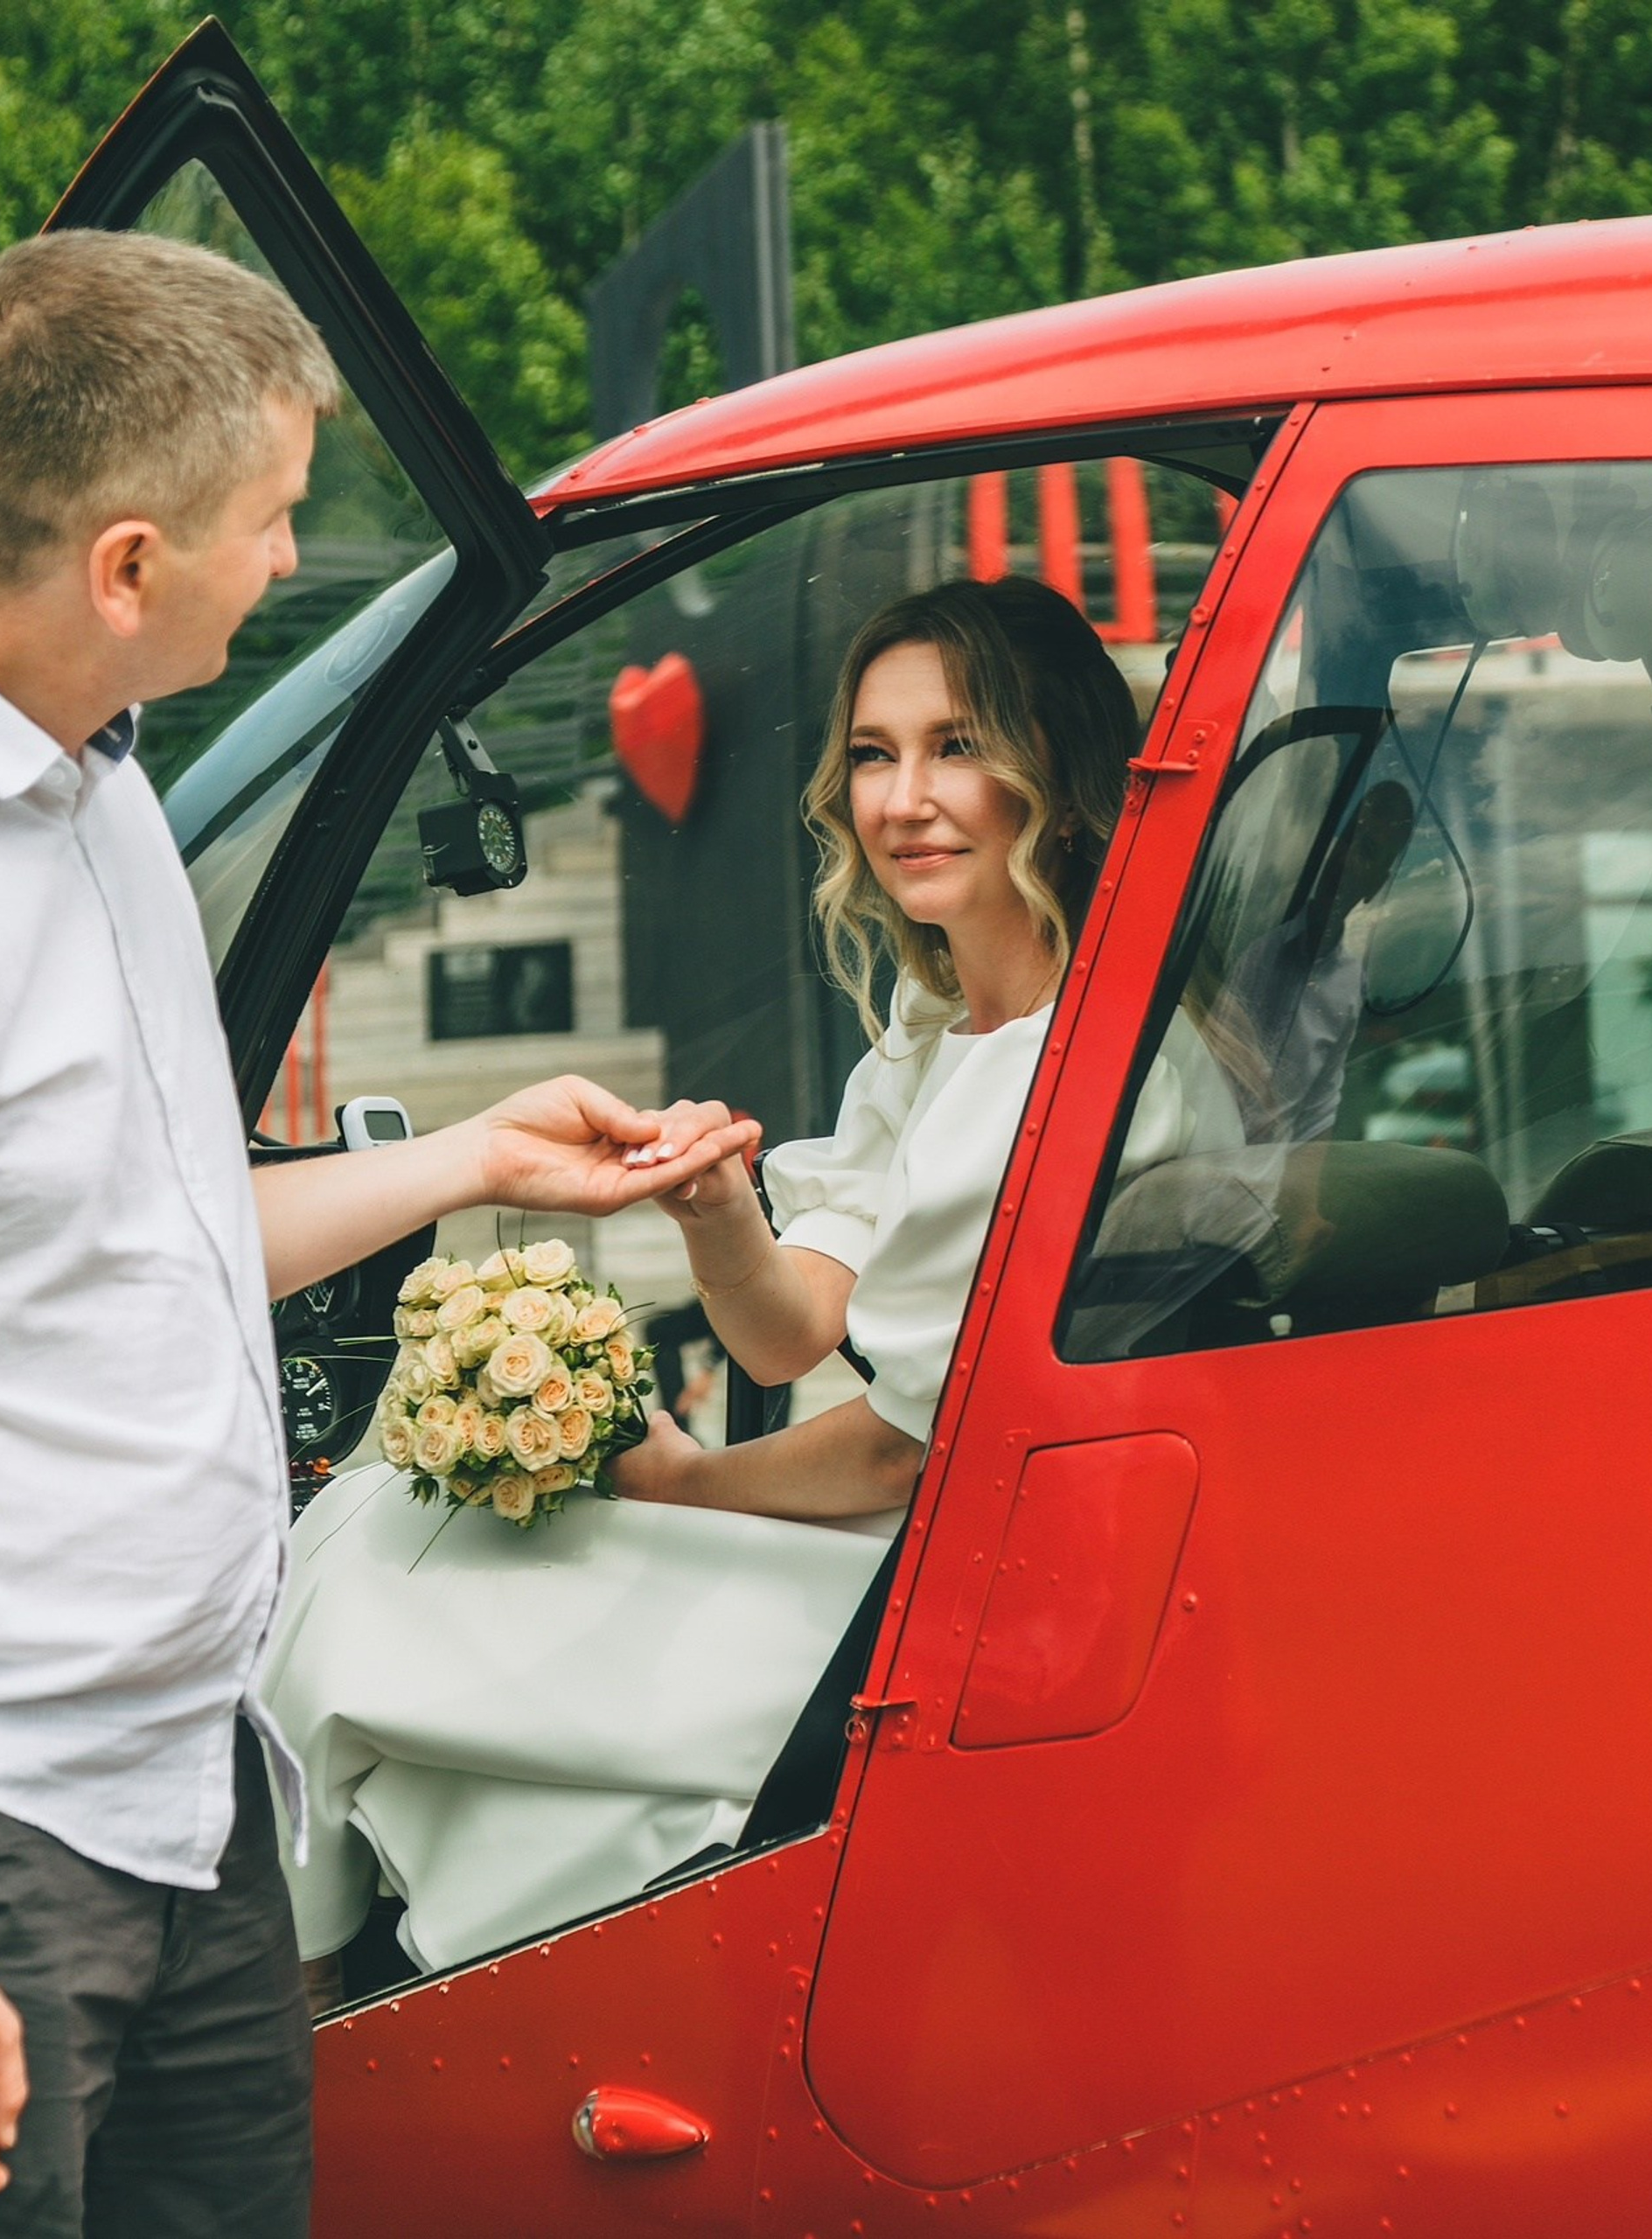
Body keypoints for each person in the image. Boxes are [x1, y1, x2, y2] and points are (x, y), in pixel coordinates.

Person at [0, 230, 742, 2238]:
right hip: (6, 1836)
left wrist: (479, 1159)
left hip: (193, 1778)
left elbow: (143, 1234)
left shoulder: (101, 793)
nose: (298, 556)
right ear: (127, 564)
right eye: (278, 517)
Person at [263, 576, 1244, 1977]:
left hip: (923, 1616)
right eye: (872, 752)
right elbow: (792, 1338)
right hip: (874, 1552)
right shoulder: (941, 1019)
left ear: (1064, 782)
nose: (904, 798)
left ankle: (263, 2007)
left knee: (364, 1569)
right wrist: (717, 1208)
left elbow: (913, 1454)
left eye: (958, 747)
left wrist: (679, 1482)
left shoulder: (1063, 1067)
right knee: (373, 1529)